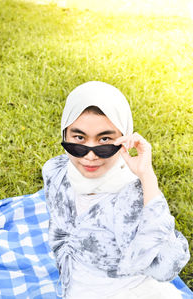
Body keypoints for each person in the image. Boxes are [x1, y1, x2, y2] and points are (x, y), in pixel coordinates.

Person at [42, 81, 190, 299]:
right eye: (79, 138)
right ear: (64, 134)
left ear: (124, 139)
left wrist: (147, 176)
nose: (89, 155)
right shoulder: (57, 172)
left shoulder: (131, 199)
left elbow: (165, 267)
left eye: (104, 140)